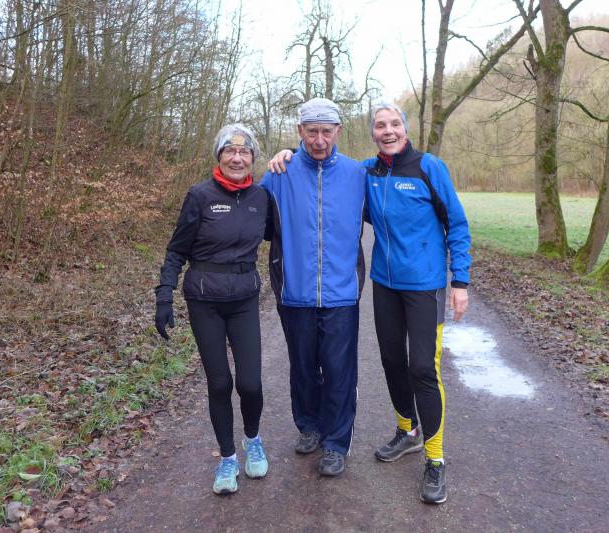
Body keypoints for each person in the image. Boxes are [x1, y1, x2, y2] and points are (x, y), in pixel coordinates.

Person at [268, 102, 471, 504]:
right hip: (385, 283)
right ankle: (407, 431)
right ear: (372, 132)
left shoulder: (428, 167)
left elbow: (457, 223)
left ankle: (435, 459)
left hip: (425, 284)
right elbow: (320, 170)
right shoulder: (368, 172)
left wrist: (460, 280)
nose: (388, 131)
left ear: (405, 128)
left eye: (395, 124)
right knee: (392, 362)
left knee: (422, 368)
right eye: (380, 125)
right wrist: (288, 152)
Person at [154, 124, 269, 496]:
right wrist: (164, 294)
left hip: (244, 299)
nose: (237, 158)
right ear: (219, 156)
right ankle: (228, 458)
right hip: (205, 301)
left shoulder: (261, 197)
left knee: (250, 383)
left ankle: (253, 439)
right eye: (229, 151)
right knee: (219, 383)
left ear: (252, 158)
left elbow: (285, 236)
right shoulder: (200, 196)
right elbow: (177, 249)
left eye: (244, 152)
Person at [260, 97, 366, 477]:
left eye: (326, 131)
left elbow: (393, 215)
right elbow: (251, 218)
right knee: (303, 367)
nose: (319, 140)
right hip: (295, 292)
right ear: (300, 131)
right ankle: (309, 425)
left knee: (339, 371)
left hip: (341, 293)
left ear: (338, 131)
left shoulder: (357, 174)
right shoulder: (279, 174)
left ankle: (336, 443)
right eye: (312, 131)